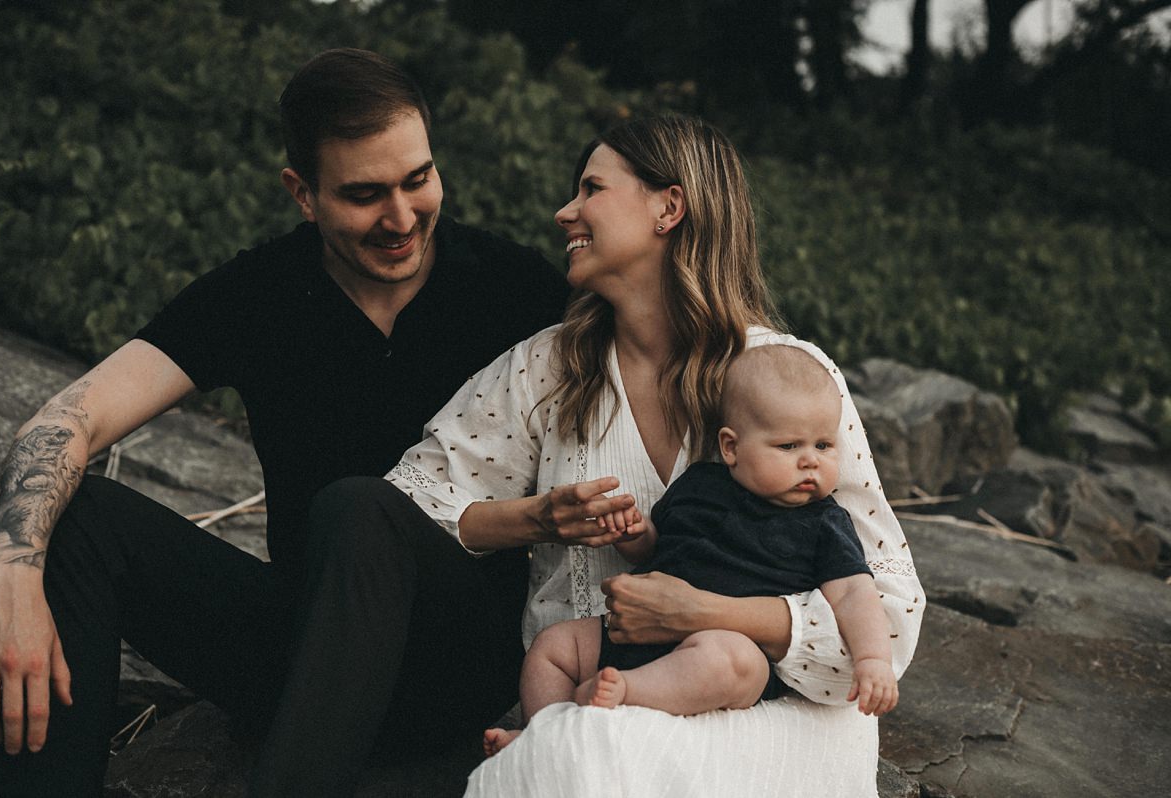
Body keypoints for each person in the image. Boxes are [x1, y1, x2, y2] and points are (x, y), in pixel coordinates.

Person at [0, 48, 569, 797]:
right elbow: (69, 418)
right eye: (363, 194)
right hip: (304, 653)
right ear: (303, 194)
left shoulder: (515, 287)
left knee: (360, 507)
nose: (401, 217)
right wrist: (8, 573)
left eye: (418, 179)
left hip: (455, 665)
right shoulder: (258, 294)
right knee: (72, 515)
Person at [385, 114, 924, 796]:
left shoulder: (790, 379)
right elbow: (405, 504)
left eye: (591, 188)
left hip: (766, 716)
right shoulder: (547, 368)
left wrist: (705, 614)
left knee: (593, 761)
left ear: (669, 207)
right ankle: (555, 739)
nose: (565, 211)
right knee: (583, 754)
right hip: (591, 705)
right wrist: (538, 518)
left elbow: (890, 611)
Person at [480, 343, 899, 754]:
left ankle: (625, 694)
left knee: (736, 662)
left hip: (716, 648)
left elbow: (853, 594)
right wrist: (634, 534)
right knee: (554, 645)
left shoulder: (824, 522)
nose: (811, 461)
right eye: (789, 446)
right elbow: (658, 552)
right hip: (634, 636)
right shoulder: (700, 485)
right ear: (731, 447)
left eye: (823, 446)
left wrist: (874, 660)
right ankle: (540, 737)